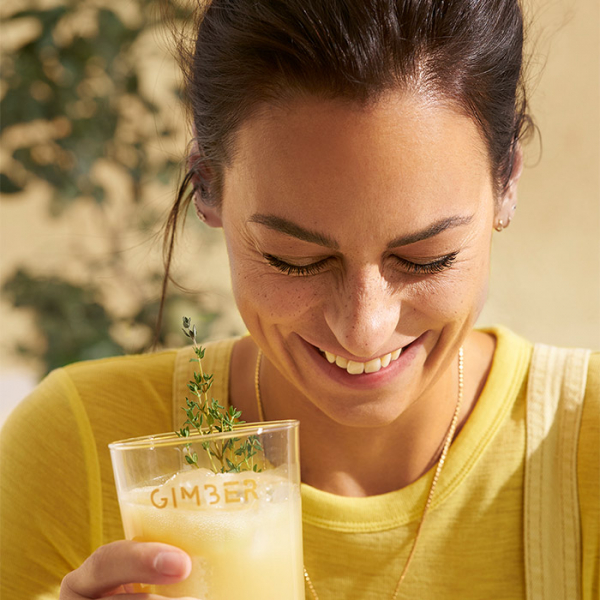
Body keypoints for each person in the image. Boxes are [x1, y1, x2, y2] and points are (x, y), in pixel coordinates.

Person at [1, 1, 597, 599]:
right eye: (296, 260)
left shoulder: (585, 444)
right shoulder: (76, 449)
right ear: (207, 186)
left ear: (508, 182)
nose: (364, 329)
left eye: (424, 258)